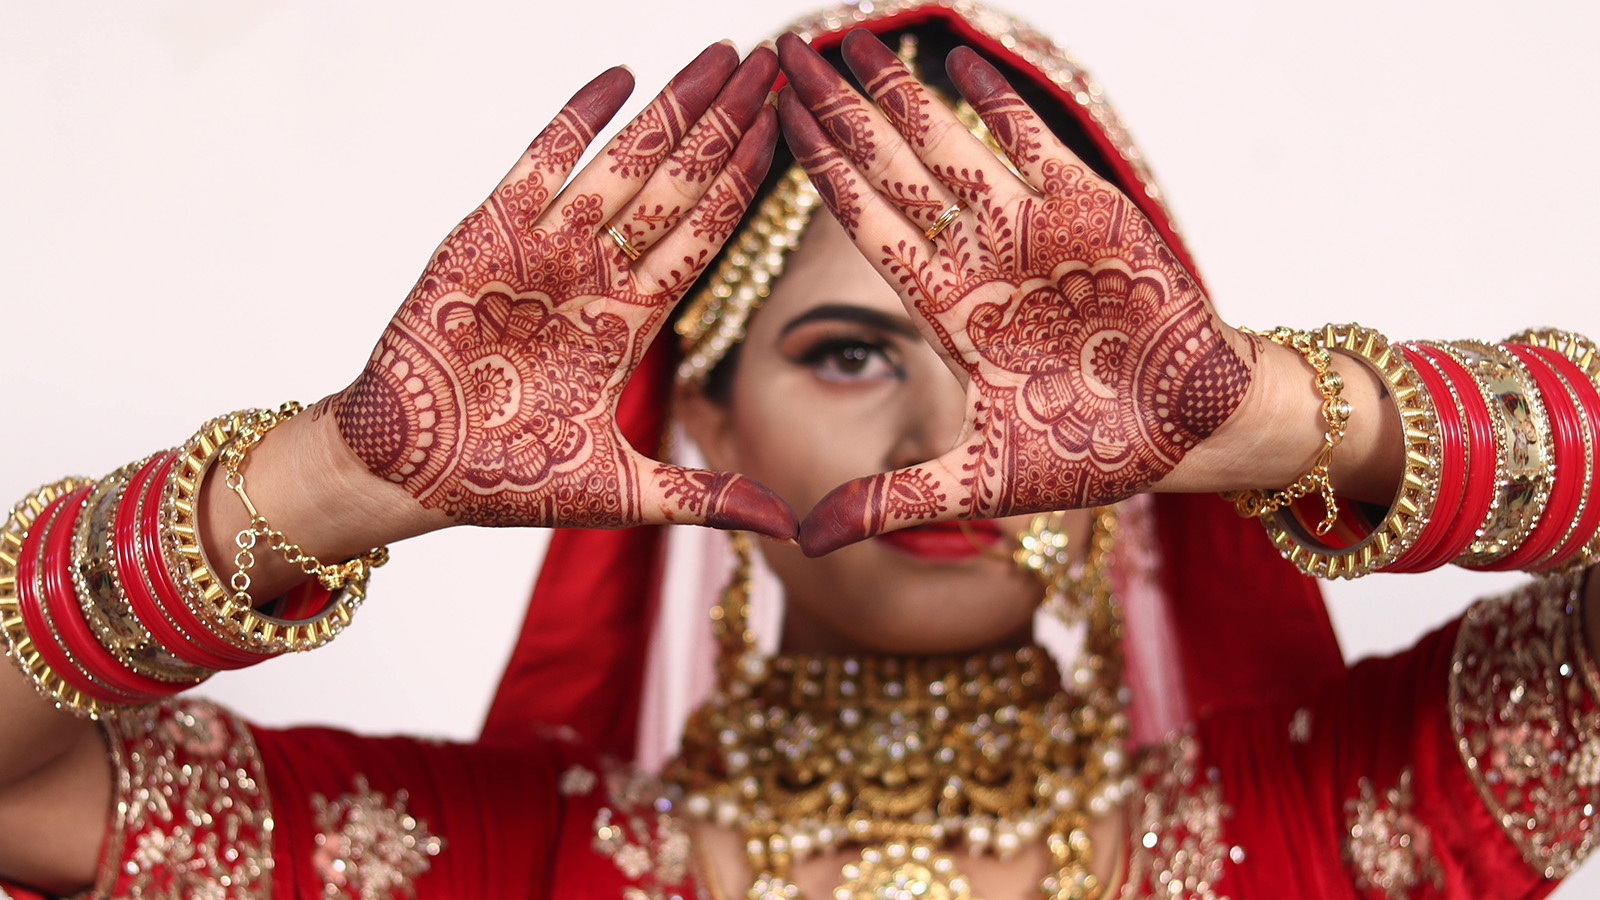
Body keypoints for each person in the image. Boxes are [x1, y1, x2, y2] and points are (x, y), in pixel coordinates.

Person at [1, 2, 1598, 898]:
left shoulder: (1345, 821)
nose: (950, 433)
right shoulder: (502, 865)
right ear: (695, 406)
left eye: (1026, 364)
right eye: (850, 354)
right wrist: (336, 481)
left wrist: (1278, 419)